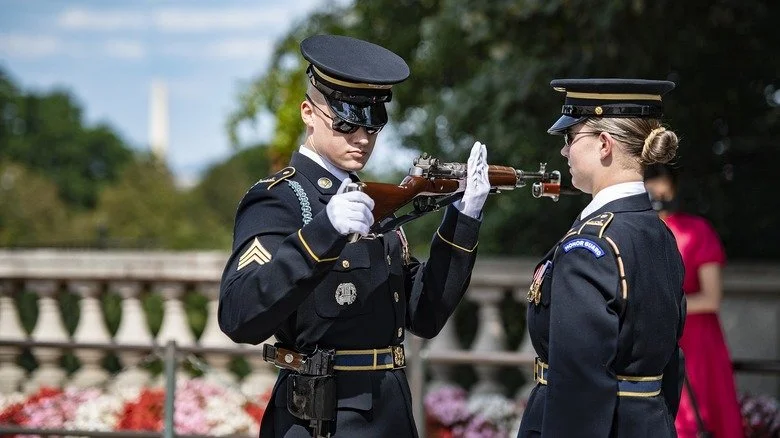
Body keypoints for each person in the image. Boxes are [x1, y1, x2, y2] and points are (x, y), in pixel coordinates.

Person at [218, 34, 491, 438]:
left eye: (372, 126)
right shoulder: (281, 199)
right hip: (322, 420)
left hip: (391, 414)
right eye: (346, 124)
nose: (362, 139)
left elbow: (424, 316)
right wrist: (323, 232)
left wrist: (462, 220)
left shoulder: (372, 201)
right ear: (309, 113)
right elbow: (239, 315)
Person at [518, 78, 687, 437]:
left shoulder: (589, 246)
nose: (564, 152)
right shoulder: (658, 232)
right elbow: (671, 366)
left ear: (604, 144)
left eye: (570, 138)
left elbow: (579, 384)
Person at [644, 163, 744, 438]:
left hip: (696, 343)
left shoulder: (697, 230)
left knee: (695, 422)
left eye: (660, 183)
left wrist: (664, 306)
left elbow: (712, 298)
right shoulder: (633, 231)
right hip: (649, 340)